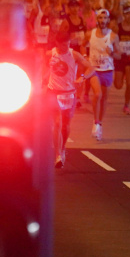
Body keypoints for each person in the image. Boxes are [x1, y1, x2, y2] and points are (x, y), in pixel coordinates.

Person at [47, 27, 93, 168]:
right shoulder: (50, 54)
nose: (65, 47)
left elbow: (91, 68)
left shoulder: (74, 55)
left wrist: (82, 78)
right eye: (63, 45)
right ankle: (57, 155)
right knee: (57, 123)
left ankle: (63, 147)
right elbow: (41, 68)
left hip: (69, 93)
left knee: (65, 126)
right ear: (57, 43)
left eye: (67, 44)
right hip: (53, 92)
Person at [87, 9, 118, 141]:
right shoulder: (90, 34)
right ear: (97, 20)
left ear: (108, 20)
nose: (103, 21)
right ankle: (95, 121)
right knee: (97, 94)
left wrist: (111, 53)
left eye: (105, 18)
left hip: (108, 70)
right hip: (94, 70)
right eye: (100, 18)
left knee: (104, 98)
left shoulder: (113, 36)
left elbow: (119, 54)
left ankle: (99, 124)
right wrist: (84, 57)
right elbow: (83, 46)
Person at [113, 5, 130, 114]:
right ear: (123, 15)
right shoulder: (117, 27)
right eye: (128, 13)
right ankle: (121, 76)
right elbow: (112, 41)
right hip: (119, 58)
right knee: (118, 86)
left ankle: (126, 105)